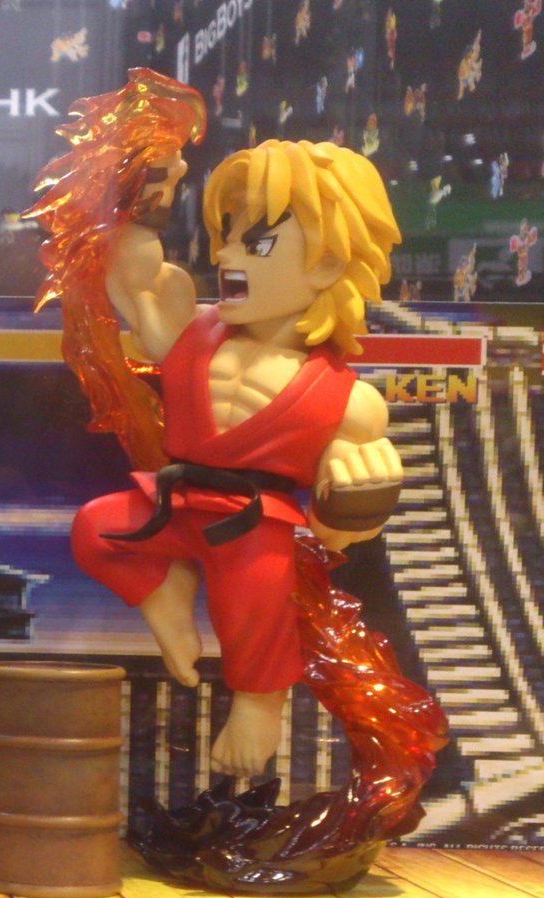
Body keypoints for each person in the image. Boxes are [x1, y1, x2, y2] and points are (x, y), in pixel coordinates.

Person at [71, 139, 404, 775]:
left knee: (260, 595)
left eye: (257, 242)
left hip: (255, 524)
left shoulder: (349, 399)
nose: (225, 255)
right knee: (97, 527)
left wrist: (358, 496)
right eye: (227, 236)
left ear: (328, 264)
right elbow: (136, 283)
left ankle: (258, 704)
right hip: (177, 499)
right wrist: (144, 199)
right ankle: (166, 594)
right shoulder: (195, 332)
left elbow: (337, 532)